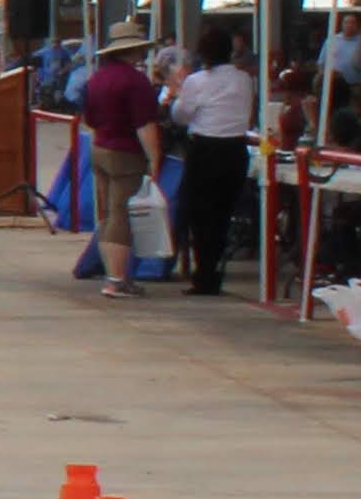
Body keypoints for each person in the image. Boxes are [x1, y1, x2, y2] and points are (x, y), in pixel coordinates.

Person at [164, 19, 260, 301]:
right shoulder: (244, 79)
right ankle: (215, 267)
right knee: (222, 212)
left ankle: (204, 272)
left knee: (199, 213)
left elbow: (181, 115)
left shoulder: (196, 81)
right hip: (235, 149)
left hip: (205, 148)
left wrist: (176, 93)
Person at [77, 29, 164, 298]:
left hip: (100, 147)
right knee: (121, 215)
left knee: (106, 214)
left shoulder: (96, 79)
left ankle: (113, 274)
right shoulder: (136, 82)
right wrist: (154, 158)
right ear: (134, 50)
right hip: (126, 153)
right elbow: (144, 125)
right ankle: (116, 280)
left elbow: (89, 119)